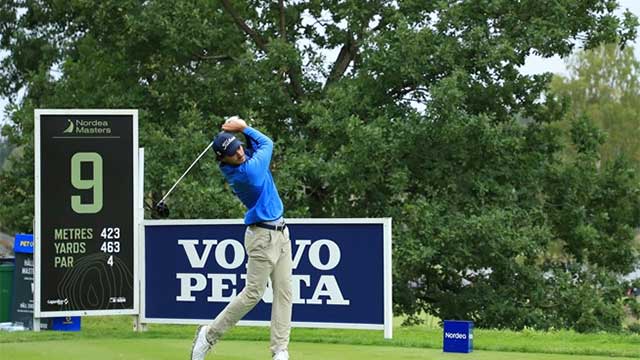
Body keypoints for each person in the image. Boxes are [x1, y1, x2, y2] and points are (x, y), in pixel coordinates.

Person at [191, 116, 293, 360]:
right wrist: (244, 127)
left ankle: (280, 350)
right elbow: (267, 143)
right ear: (223, 159)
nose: (238, 152)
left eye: (237, 145)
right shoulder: (246, 174)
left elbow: (255, 147)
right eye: (231, 152)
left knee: (284, 292)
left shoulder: (244, 159)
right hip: (262, 238)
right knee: (252, 294)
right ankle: (209, 334)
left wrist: (240, 132)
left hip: (281, 234)